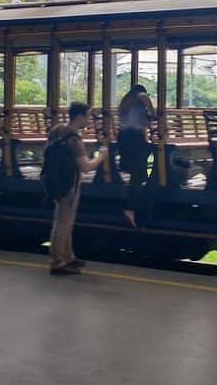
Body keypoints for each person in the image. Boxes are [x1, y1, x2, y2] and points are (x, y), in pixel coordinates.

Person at [47, 102, 108, 276]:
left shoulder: (57, 130)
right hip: (69, 183)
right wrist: (101, 157)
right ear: (79, 116)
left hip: (55, 180)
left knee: (63, 221)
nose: (88, 120)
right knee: (64, 223)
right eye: (87, 116)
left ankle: (68, 257)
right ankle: (58, 262)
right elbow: (86, 167)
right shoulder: (74, 140)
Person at [117, 84, 155, 227]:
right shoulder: (138, 98)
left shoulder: (127, 102)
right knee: (138, 173)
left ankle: (132, 206)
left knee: (138, 173)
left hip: (125, 138)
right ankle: (130, 207)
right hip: (133, 138)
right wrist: (153, 112)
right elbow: (144, 97)